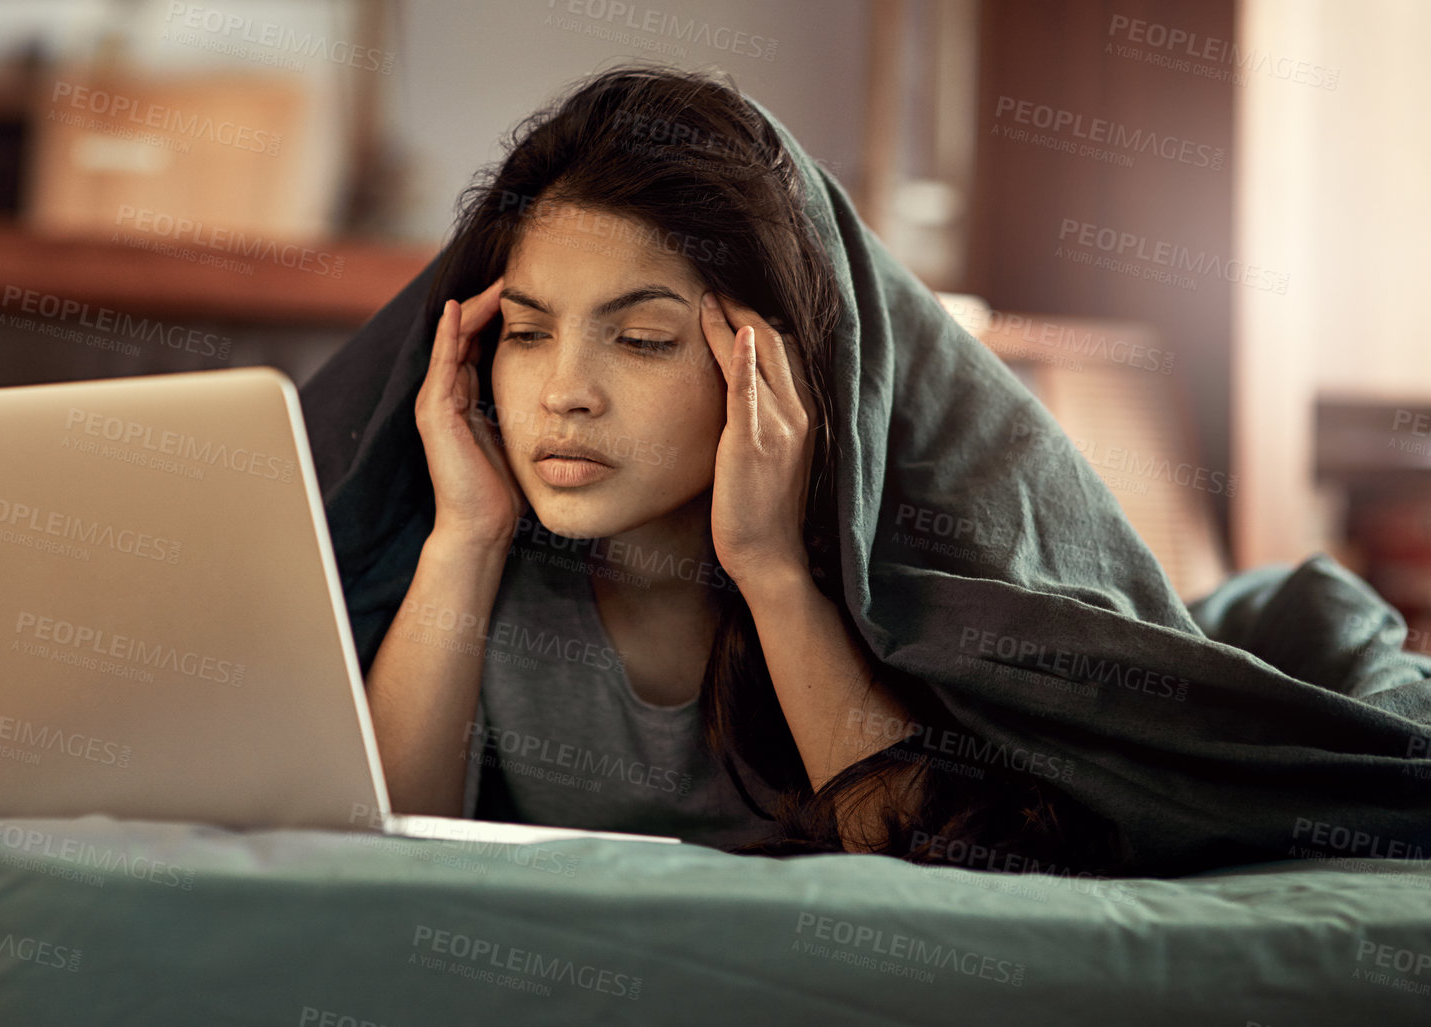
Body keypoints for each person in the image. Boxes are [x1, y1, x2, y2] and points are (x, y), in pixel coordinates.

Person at [363, 63, 1124, 869]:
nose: (563, 393)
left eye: (642, 339)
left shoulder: (884, 589)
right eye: (525, 333)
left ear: (770, 364)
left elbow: (920, 877)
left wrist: (770, 568)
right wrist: (466, 537)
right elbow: (372, 857)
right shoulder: (480, 574)